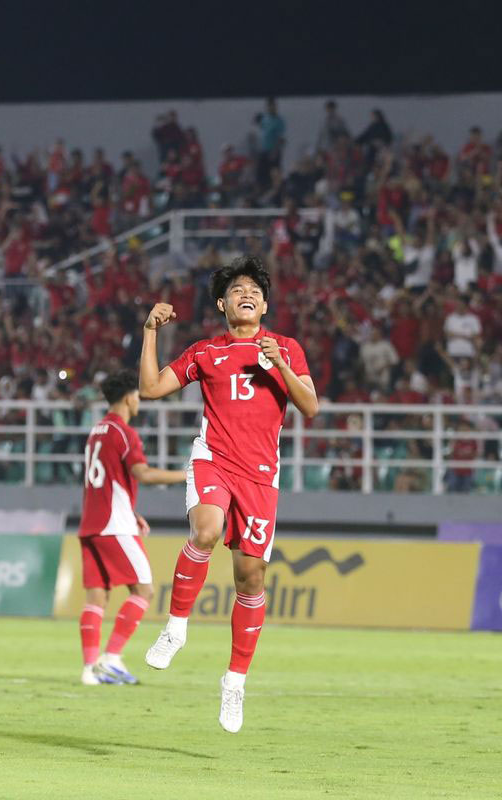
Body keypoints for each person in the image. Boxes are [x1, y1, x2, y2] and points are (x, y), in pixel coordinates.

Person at [139, 255, 318, 733]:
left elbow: (311, 406)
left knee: (250, 579)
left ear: (265, 303)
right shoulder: (205, 352)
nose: (247, 295)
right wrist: (150, 332)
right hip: (213, 459)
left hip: (261, 477)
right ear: (222, 303)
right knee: (207, 527)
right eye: (238, 290)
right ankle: (176, 628)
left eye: (255, 291)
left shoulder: (286, 348)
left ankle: (234, 681)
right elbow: (152, 387)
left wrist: (281, 367)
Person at [76, 369, 186, 686]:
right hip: (113, 524)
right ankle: (111, 659)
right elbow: (143, 473)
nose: (139, 400)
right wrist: (187, 475)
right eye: (137, 395)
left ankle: (89, 670)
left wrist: (133, 511)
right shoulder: (124, 432)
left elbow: (105, 480)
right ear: (128, 397)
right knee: (144, 589)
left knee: (95, 599)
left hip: (91, 524)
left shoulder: (96, 431)